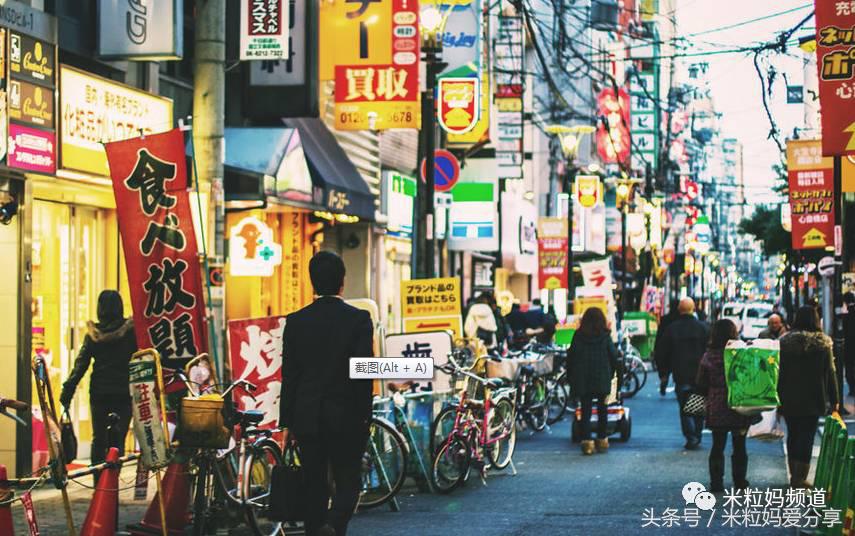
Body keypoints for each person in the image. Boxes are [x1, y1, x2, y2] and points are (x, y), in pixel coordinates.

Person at [279, 251, 374, 536]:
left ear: (312, 284)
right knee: (348, 482)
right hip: (347, 416)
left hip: (307, 416)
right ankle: (334, 526)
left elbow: (290, 376)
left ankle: (317, 530)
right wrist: (364, 416)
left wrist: (286, 422)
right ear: (342, 282)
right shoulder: (358, 320)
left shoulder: (296, 321)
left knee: (314, 484)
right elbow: (362, 373)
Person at [60, 290, 136, 474]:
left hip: (99, 394)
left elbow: (81, 365)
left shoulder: (93, 335)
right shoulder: (131, 334)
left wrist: (68, 390)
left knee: (98, 440)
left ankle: (98, 487)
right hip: (123, 393)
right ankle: (112, 485)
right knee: (118, 442)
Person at [778, 305, 838, 488]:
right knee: (807, 436)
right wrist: (834, 399)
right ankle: (800, 477)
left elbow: (778, 372)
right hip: (814, 396)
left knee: (793, 434)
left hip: (788, 395)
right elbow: (830, 373)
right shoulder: (823, 344)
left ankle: (793, 475)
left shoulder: (785, 343)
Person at [696, 319, 753, 492]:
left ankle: (716, 482)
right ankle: (740, 480)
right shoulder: (742, 353)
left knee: (717, 444)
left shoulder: (709, 355)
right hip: (738, 403)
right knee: (740, 443)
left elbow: (700, 381)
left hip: (716, 403)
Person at [656, 298, 710, 450]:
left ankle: (691, 435)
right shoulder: (703, 328)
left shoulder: (672, 329)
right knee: (698, 403)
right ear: (694, 309)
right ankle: (697, 434)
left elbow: (662, 353)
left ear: (680, 310)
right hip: (700, 374)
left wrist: (664, 373)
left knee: (685, 406)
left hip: (681, 373)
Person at [567, 307, 621, 455]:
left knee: (586, 409)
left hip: (583, 378)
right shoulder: (605, 336)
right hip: (602, 377)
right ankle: (602, 439)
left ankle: (587, 442)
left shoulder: (578, 336)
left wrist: (570, 376)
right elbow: (613, 357)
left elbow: (571, 356)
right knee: (603, 409)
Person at [654, 299, 681, 395]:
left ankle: (664, 379)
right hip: (678, 349)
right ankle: (678, 385)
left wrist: (657, 348)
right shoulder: (680, 319)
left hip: (666, 348)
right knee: (678, 369)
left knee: (666, 368)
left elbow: (660, 335)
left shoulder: (665, 319)